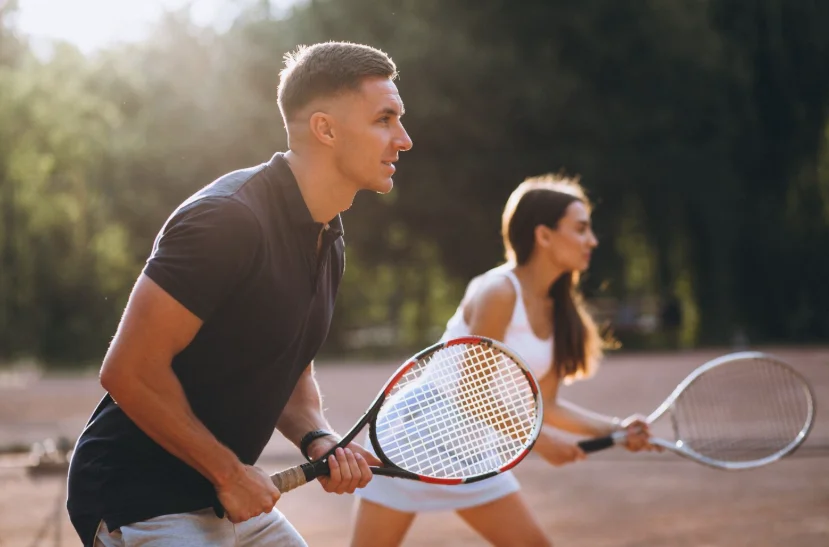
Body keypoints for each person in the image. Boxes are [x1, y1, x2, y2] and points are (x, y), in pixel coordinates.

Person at [66, 41, 413, 547]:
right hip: (138, 497)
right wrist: (229, 473)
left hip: (229, 499)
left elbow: (289, 372)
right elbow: (128, 370)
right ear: (325, 128)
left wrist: (319, 437)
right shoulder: (228, 219)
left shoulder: (327, 236)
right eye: (385, 119)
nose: (403, 139)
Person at [350, 175, 658, 547]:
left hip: (476, 451)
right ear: (543, 236)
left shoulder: (559, 311)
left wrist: (617, 430)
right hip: (416, 438)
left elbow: (546, 405)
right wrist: (542, 443)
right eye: (580, 229)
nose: (592, 240)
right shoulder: (498, 291)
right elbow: (470, 393)